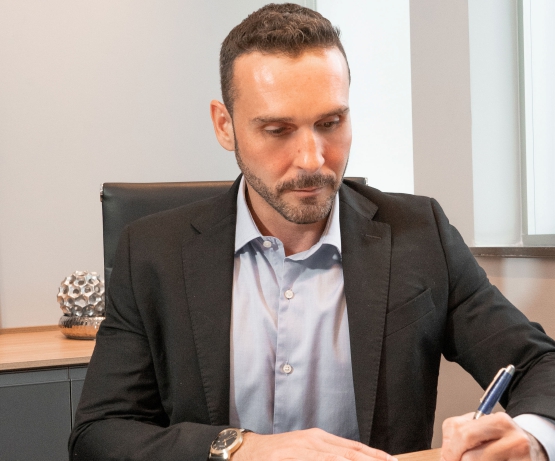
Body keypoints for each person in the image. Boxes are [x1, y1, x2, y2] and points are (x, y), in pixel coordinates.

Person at [69, 4, 555, 461]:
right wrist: (245, 449)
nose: (312, 159)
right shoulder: (152, 252)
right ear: (224, 125)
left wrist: (532, 436)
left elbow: (539, 364)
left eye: (330, 122)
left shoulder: (419, 235)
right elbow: (100, 434)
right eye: (278, 130)